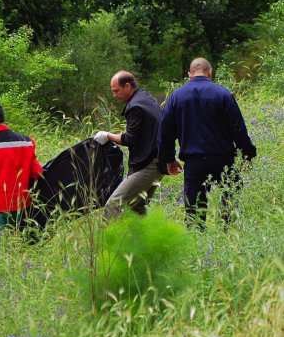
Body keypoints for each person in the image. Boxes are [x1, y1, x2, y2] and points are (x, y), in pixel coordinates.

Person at [158, 57, 257, 230]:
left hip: (194, 162)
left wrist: (168, 159)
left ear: (189, 75)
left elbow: (165, 134)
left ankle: (198, 250)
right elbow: (238, 130)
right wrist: (248, 155)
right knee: (229, 204)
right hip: (224, 160)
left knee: (194, 212)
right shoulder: (223, 94)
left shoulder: (176, 97)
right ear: (210, 72)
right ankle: (228, 239)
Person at [94, 71, 163, 218]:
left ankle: (112, 241)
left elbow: (129, 139)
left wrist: (108, 135)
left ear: (127, 86)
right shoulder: (145, 97)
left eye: (116, 91)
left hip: (149, 164)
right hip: (158, 161)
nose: (114, 95)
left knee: (113, 205)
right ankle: (140, 241)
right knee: (136, 207)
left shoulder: (135, 106)